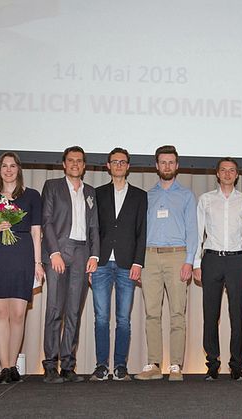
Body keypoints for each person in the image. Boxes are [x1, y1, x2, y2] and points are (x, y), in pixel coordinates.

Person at [0, 152, 45, 384]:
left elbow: (37, 232)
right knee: (1, 312)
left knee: (18, 314)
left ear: (19, 169)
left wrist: (38, 263)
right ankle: (5, 366)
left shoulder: (32, 196)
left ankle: (14, 364)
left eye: (12, 166)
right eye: (4, 166)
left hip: (23, 254)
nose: (8, 170)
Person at [193, 157, 242, 381]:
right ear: (217, 174)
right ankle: (212, 364)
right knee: (210, 314)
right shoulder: (206, 200)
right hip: (211, 259)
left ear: (237, 175)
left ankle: (236, 365)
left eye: (232, 170)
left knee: (237, 314)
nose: (228, 174)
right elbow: (197, 233)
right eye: (224, 170)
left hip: (237, 261)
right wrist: (196, 263)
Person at [136, 145, 197, 382]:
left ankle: (175, 365)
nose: (167, 166)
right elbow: (139, 232)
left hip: (177, 256)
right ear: (156, 166)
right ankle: (153, 364)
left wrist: (189, 261)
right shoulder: (146, 196)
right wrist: (139, 263)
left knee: (177, 314)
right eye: (163, 162)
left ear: (177, 166)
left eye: (171, 162)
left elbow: (192, 230)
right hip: (150, 257)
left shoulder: (187, 195)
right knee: (152, 313)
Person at [41, 146, 100, 384]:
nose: (75, 164)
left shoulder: (91, 192)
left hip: (82, 253)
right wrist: (53, 252)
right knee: (55, 310)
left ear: (84, 166)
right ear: (64, 164)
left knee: (74, 311)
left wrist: (94, 256)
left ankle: (68, 366)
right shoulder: (52, 186)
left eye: (79, 161)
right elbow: (46, 221)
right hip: (59, 251)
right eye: (71, 160)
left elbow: (95, 227)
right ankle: (49, 366)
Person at [89, 148, 147, 382]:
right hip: (101, 263)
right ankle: (102, 365)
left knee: (123, 319)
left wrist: (138, 262)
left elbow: (142, 232)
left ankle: (120, 366)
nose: (119, 165)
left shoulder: (140, 195)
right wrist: (91, 259)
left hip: (127, 264)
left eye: (123, 162)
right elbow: (92, 229)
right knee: (101, 318)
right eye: (115, 162)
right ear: (108, 166)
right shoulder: (97, 193)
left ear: (128, 166)